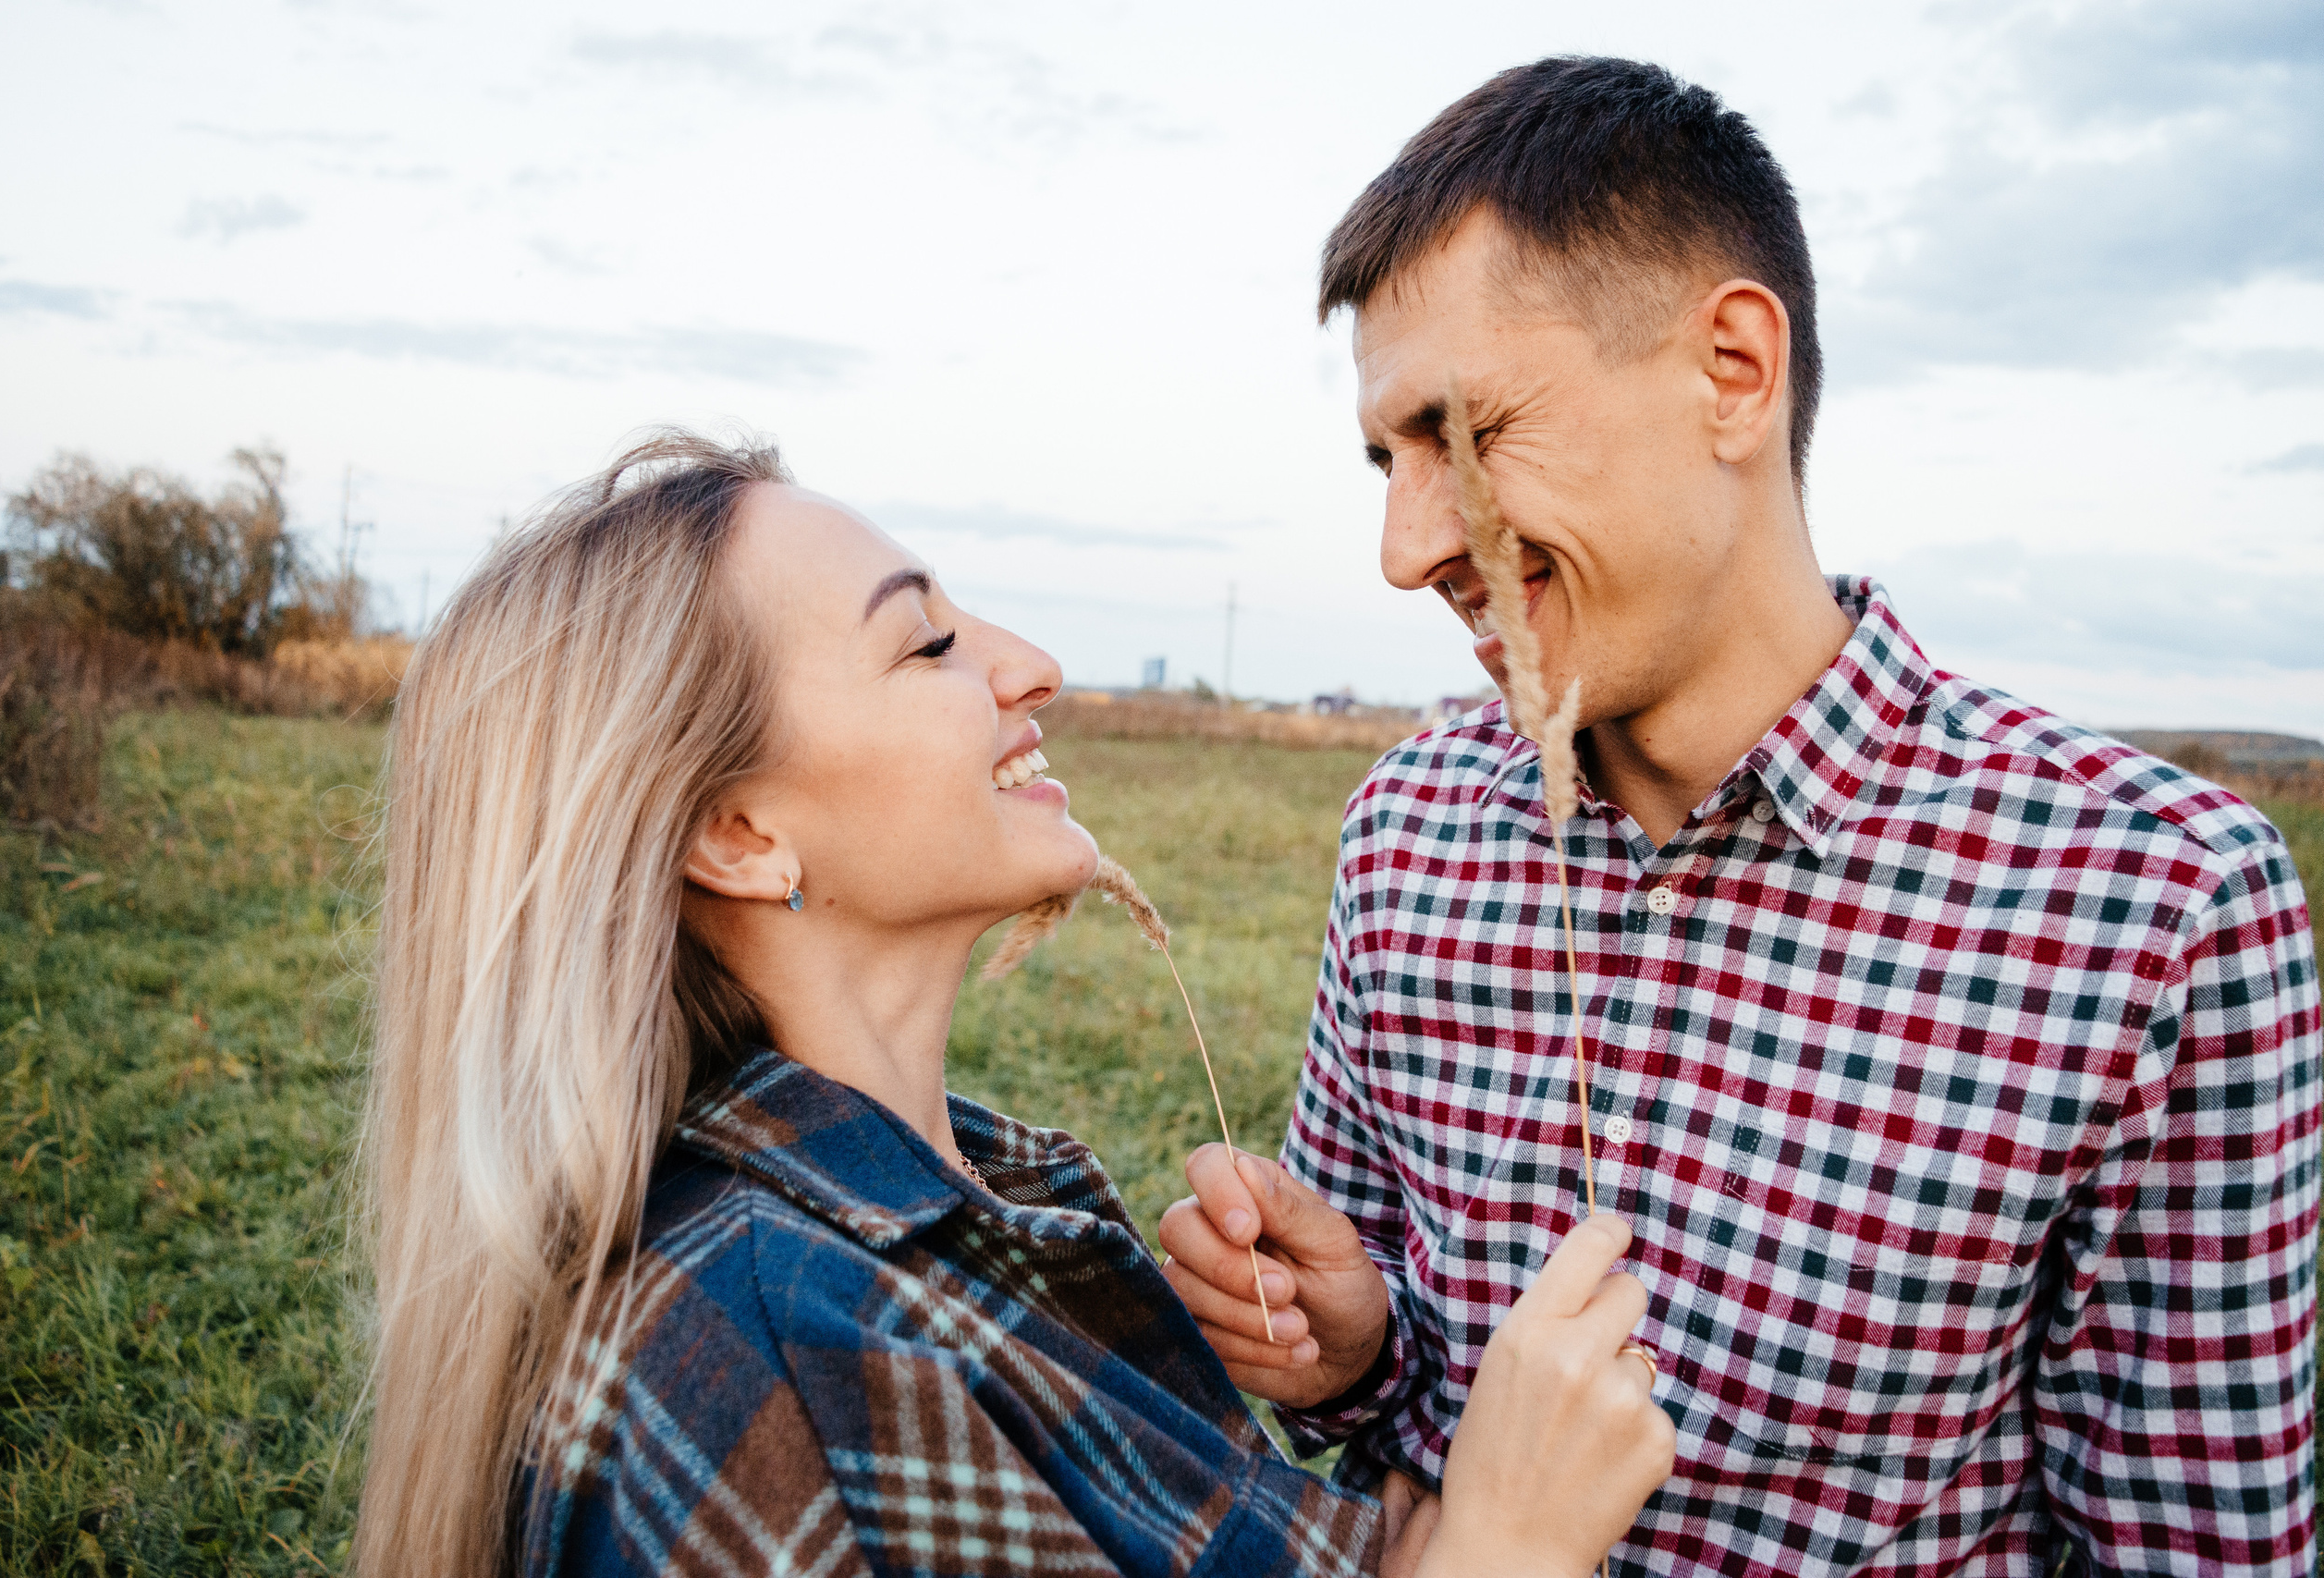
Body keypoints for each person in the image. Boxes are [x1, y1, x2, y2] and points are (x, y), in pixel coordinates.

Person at [1158, 55, 2321, 1576]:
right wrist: (1354, 1352)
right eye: (1389, 458)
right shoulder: (1406, 832)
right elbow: (1389, 1430)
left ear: (1733, 371)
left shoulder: (2155, 908)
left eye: (1471, 434)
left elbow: (2194, 1552)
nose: (1406, 547)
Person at [349, 431, 1674, 1578]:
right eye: (926, 642)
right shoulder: (767, 1359)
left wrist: (1368, 1370)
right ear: (739, 831)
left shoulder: (955, 1204)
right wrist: (1507, 1548)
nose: (1032, 666)